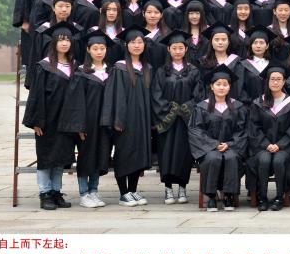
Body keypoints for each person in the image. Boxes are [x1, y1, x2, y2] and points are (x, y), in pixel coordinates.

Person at [23, 22, 79, 210]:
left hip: (66, 120)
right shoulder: (44, 66)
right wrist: (37, 121)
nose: (64, 43)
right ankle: (44, 193)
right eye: (60, 40)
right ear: (54, 42)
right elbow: (36, 95)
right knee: (46, 158)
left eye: (67, 40)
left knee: (61, 158)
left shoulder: (74, 66)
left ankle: (56, 192)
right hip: (47, 120)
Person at [101, 26, 155, 207]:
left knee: (138, 154)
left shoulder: (147, 68)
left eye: (140, 42)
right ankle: (123, 193)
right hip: (124, 120)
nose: (137, 45)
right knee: (124, 154)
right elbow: (114, 95)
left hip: (142, 119)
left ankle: (133, 190)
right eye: (133, 42)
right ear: (126, 45)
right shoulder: (120, 68)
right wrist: (117, 120)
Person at [59, 31, 113, 208]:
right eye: (95, 48)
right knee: (86, 158)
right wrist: (79, 126)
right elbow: (76, 102)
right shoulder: (81, 72)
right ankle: (84, 194)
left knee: (100, 156)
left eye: (102, 48)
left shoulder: (111, 71)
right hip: (87, 124)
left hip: (104, 123)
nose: (99, 52)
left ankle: (93, 191)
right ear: (88, 50)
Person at [189, 64, 248, 212]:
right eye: (218, 84)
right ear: (211, 86)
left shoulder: (238, 107)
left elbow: (243, 131)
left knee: (231, 158)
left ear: (229, 87)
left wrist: (229, 144)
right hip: (208, 148)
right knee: (213, 158)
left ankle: (228, 195)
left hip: (232, 147)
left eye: (225, 84)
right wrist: (214, 144)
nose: (222, 87)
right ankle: (211, 196)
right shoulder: (201, 107)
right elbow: (196, 131)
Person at [151, 30, 200, 205]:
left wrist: (185, 109)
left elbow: (198, 95)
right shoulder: (161, 71)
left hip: (186, 121)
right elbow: (156, 95)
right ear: (169, 49)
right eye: (174, 48)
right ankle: (168, 188)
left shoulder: (193, 71)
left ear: (186, 49)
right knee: (166, 154)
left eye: (181, 48)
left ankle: (182, 187)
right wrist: (172, 109)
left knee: (184, 155)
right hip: (167, 122)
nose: (178, 51)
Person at [245, 66, 290, 211]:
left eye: (278, 79)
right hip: (262, 146)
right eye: (272, 79)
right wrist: (266, 144)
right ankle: (262, 197)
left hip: (286, 148)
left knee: (279, 160)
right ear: (267, 81)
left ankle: (279, 197)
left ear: (284, 82)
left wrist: (280, 145)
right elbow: (254, 127)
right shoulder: (258, 103)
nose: (275, 82)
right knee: (264, 159)